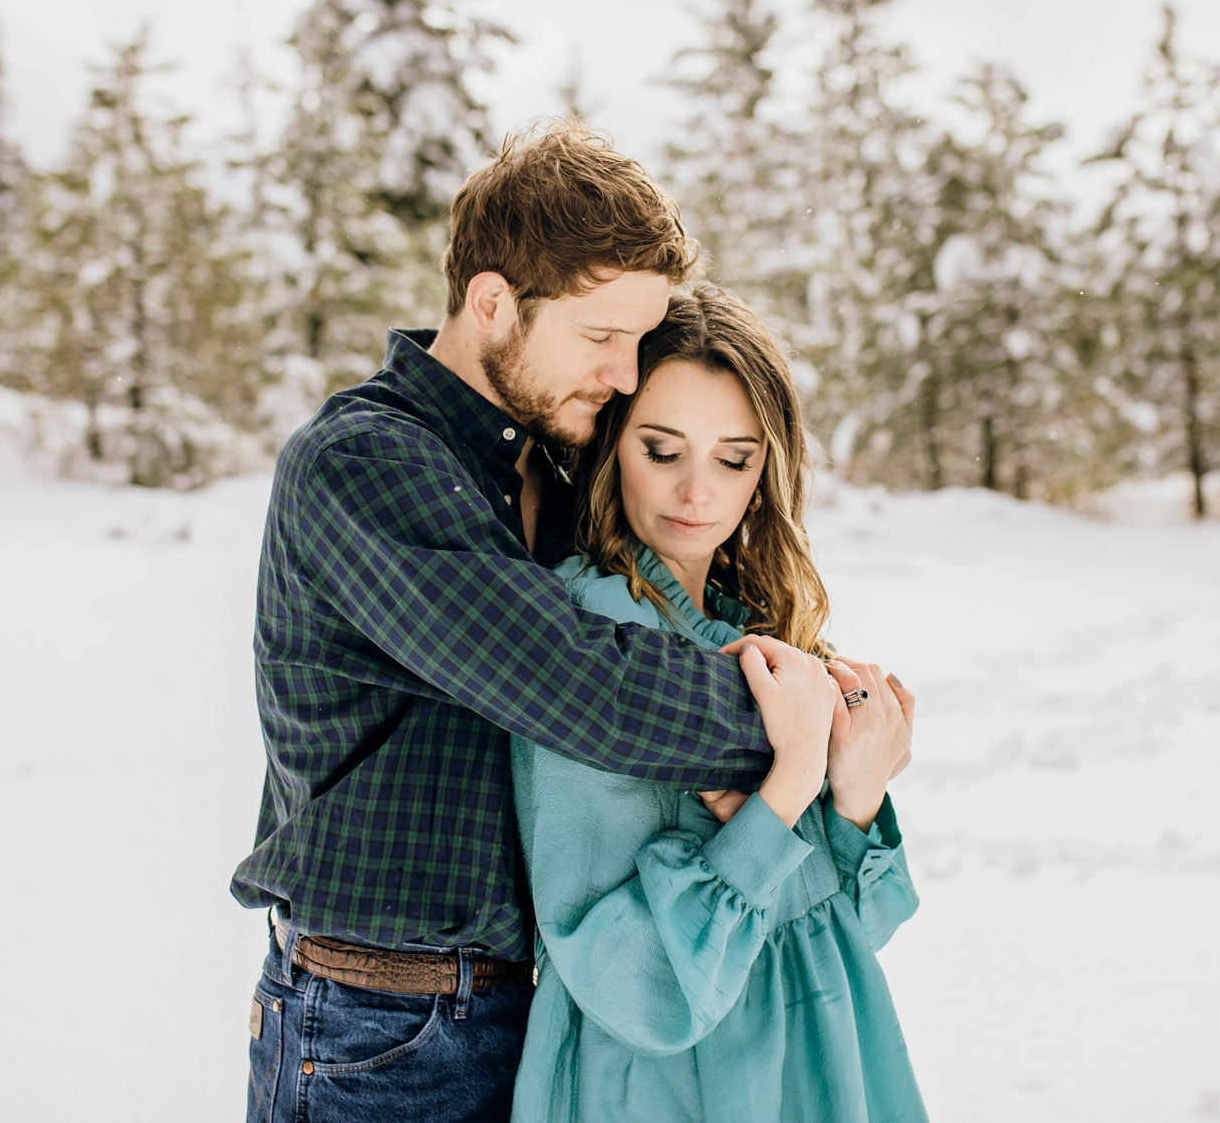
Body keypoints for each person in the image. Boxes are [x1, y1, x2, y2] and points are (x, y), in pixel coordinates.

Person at [232, 121, 857, 1123]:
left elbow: (669, 615)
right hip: (375, 1025)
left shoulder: (550, 472)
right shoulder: (363, 466)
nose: (619, 373)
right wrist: (801, 724)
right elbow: (575, 679)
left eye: (635, 343)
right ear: (491, 302)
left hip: (532, 1019)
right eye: (601, 336)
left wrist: (834, 701)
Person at [511, 284, 928, 1123]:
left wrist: (852, 799)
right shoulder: (600, 637)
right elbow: (631, 983)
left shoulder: (756, 628)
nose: (697, 493)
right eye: (661, 450)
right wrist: (789, 787)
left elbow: (853, 923)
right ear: (611, 446)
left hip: (813, 1055)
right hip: (664, 1085)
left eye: (733, 459)